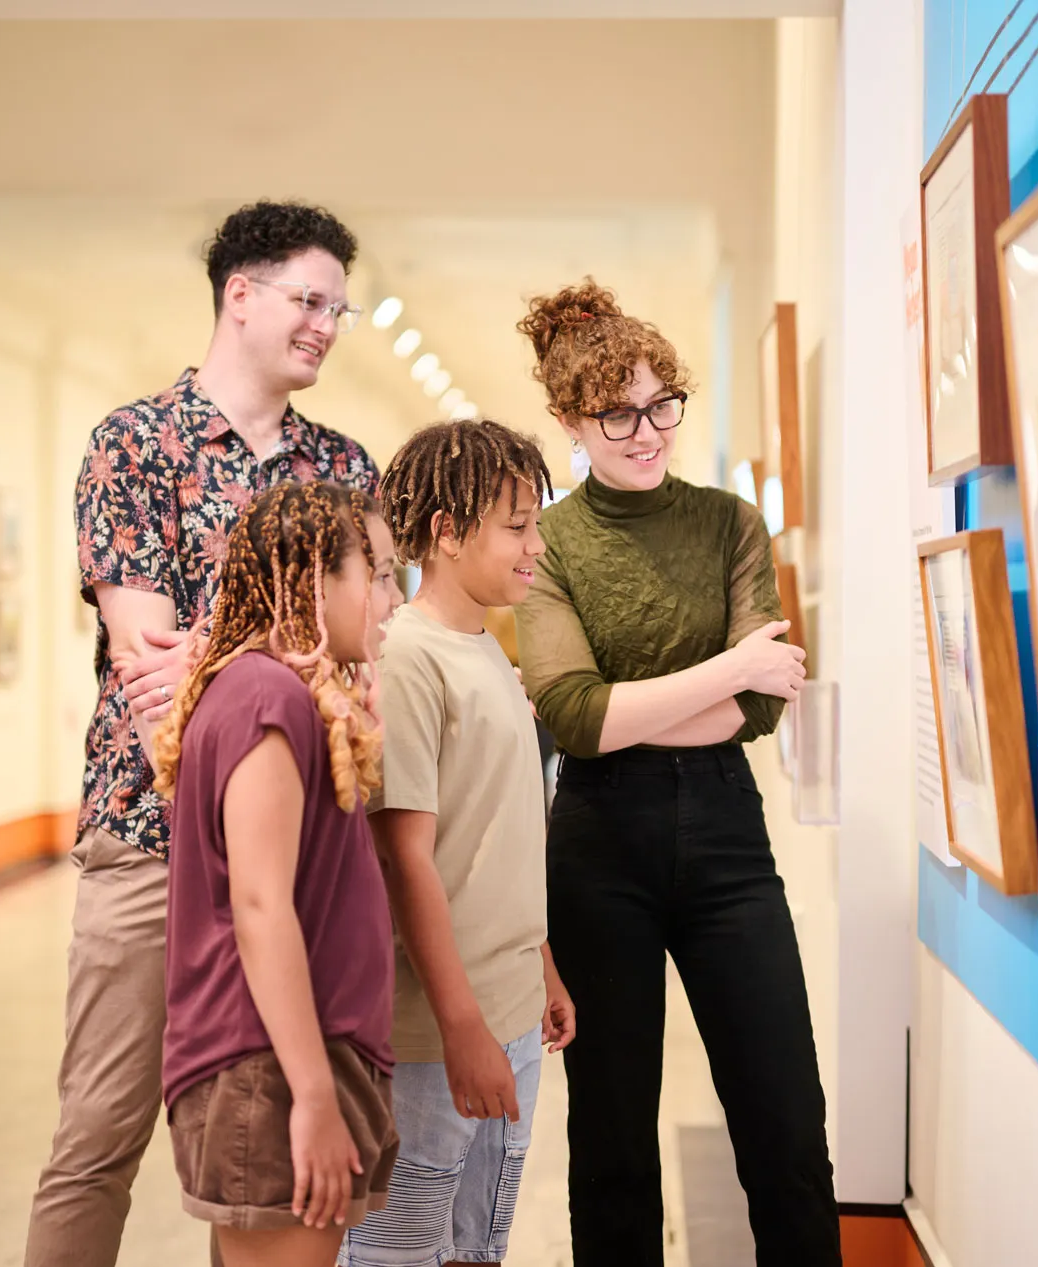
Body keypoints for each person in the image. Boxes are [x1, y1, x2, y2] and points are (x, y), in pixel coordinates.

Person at [27, 201, 382, 1267]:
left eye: (339, 308)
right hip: (147, 839)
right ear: (240, 295)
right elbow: (146, 670)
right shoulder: (133, 445)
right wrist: (290, 664)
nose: (326, 323)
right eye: (308, 299)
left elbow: (364, 664)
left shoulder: (345, 469)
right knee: (98, 1134)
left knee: (272, 1142)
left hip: (301, 848)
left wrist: (231, 661)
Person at [512, 281, 842, 1265]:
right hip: (596, 850)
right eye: (617, 412)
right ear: (572, 419)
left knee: (786, 1122)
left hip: (728, 839)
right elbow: (569, 716)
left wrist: (662, 701)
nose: (646, 430)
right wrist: (728, 667)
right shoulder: (551, 539)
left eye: (663, 404)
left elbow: (765, 702)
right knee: (611, 1142)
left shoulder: (732, 523)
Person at [341, 420, 576, 1267]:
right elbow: (406, 861)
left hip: (510, 1008)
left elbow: (499, 832)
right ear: (446, 530)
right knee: (401, 1249)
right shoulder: (409, 657)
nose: (535, 546)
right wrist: (462, 1022)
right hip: (442, 1028)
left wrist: (541, 966)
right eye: (517, 526)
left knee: (477, 1243)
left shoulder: (484, 648)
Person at [153, 480, 404, 1266]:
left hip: (288, 1060)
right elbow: (259, 906)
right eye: (381, 573)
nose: (392, 599)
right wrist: (314, 1095)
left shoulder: (284, 692)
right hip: (269, 1070)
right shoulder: (266, 697)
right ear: (315, 579)